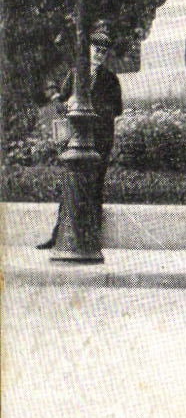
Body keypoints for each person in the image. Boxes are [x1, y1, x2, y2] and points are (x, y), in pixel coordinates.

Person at [36, 24, 123, 250]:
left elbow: (117, 109)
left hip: (99, 142)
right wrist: (63, 103)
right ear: (89, 50)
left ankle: (91, 237)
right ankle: (59, 236)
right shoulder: (76, 74)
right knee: (70, 187)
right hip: (76, 141)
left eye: (103, 52)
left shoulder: (111, 80)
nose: (99, 55)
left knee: (94, 189)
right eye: (96, 49)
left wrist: (89, 109)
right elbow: (62, 102)